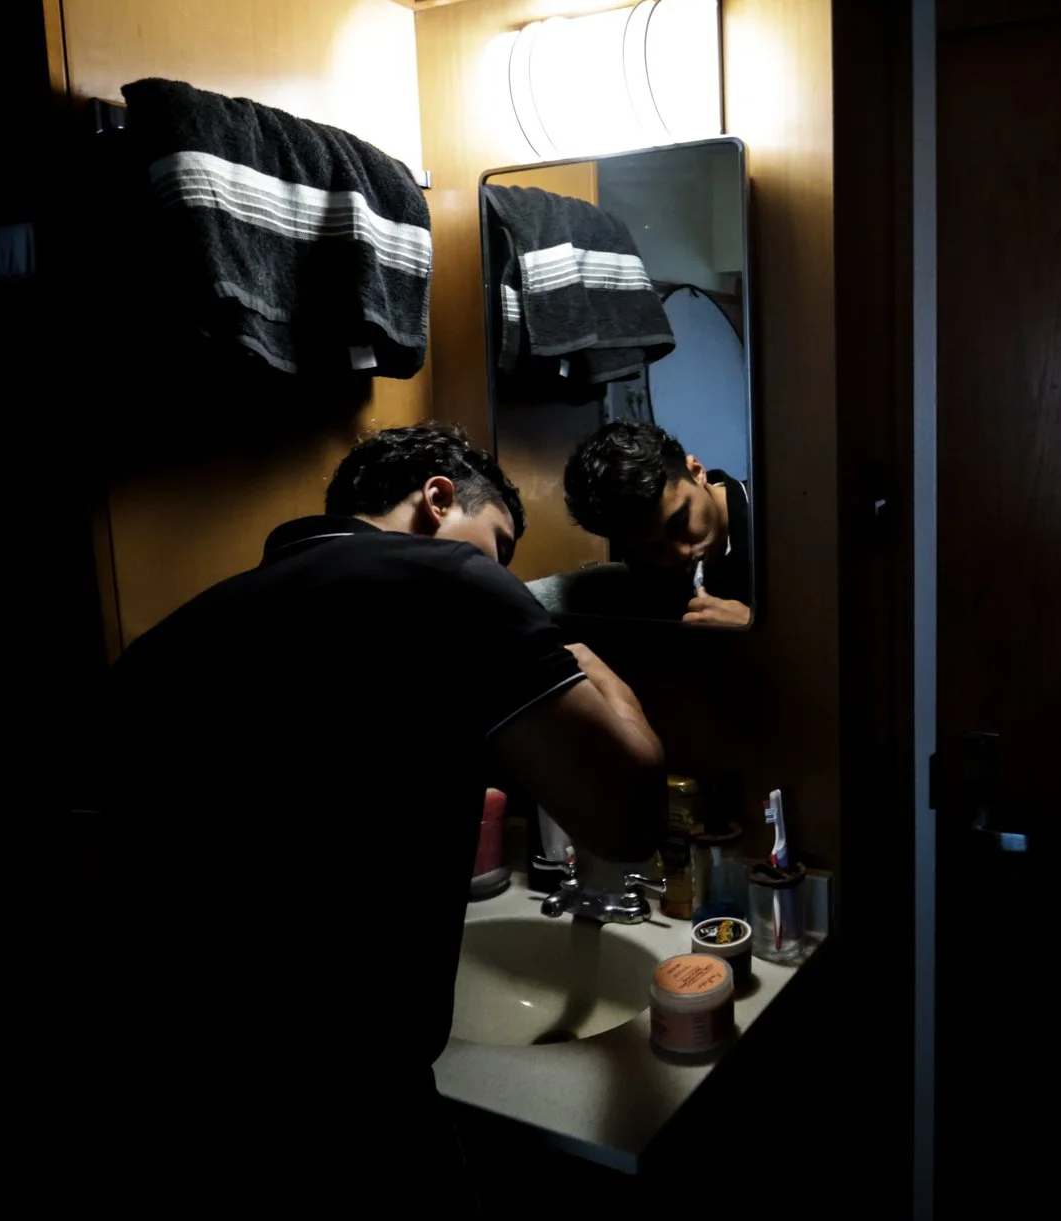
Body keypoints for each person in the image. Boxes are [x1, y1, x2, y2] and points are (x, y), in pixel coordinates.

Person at [85, 423, 665, 1214]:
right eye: (499, 545)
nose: (502, 575)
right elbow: (629, 818)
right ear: (437, 498)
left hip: (153, 1110)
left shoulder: (174, 638)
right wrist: (584, 662)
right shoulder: (451, 582)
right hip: (349, 1126)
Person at [562, 421, 754, 627]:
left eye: (680, 523)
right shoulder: (647, 574)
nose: (681, 553)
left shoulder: (782, 515)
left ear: (696, 472)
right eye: (654, 548)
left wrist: (759, 626)